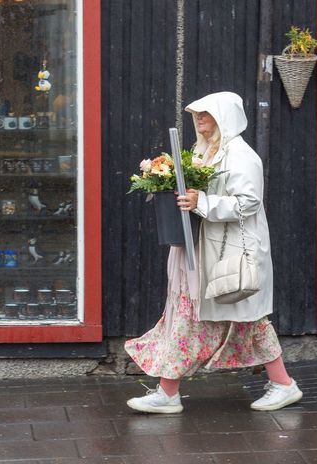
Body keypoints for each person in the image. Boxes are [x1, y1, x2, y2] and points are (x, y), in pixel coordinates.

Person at [124, 92, 302, 414]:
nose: (199, 120)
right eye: (196, 115)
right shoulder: (204, 151)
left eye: (206, 114)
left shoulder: (241, 156)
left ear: (225, 117)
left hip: (228, 251)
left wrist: (201, 203)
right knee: (234, 318)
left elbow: (249, 202)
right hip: (205, 249)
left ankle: (169, 393)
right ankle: (282, 384)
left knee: (215, 317)